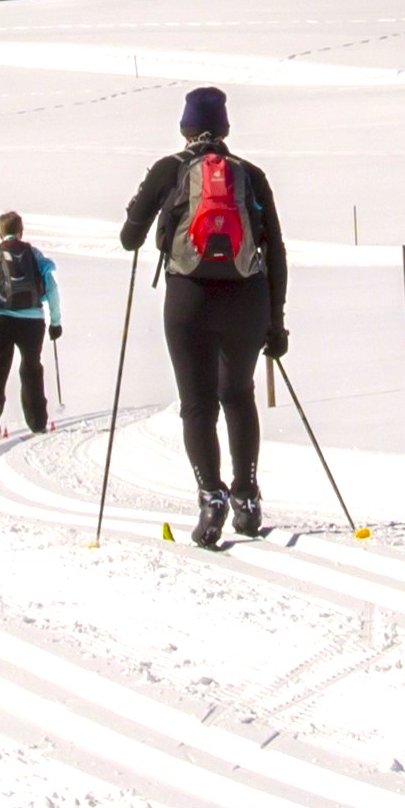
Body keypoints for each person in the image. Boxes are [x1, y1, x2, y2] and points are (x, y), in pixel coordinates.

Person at [119, 86, 289, 549]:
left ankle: (210, 496)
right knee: (238, 396)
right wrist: (276, 321)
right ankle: (247, 496)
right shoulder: (250, 175)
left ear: (185, 127)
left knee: (197, 404)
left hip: (188, 298)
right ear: (227, 128)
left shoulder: (169, 170)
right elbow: (275, 252)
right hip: (246, 297)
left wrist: (143, 212)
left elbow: (129, 240)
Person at [0, 210, 61, 437]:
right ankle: (38, 421)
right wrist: (56, 322)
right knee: (31, 367)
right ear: (21, 231)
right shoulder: (34, 254)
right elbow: (51, 289)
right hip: (31, 321)